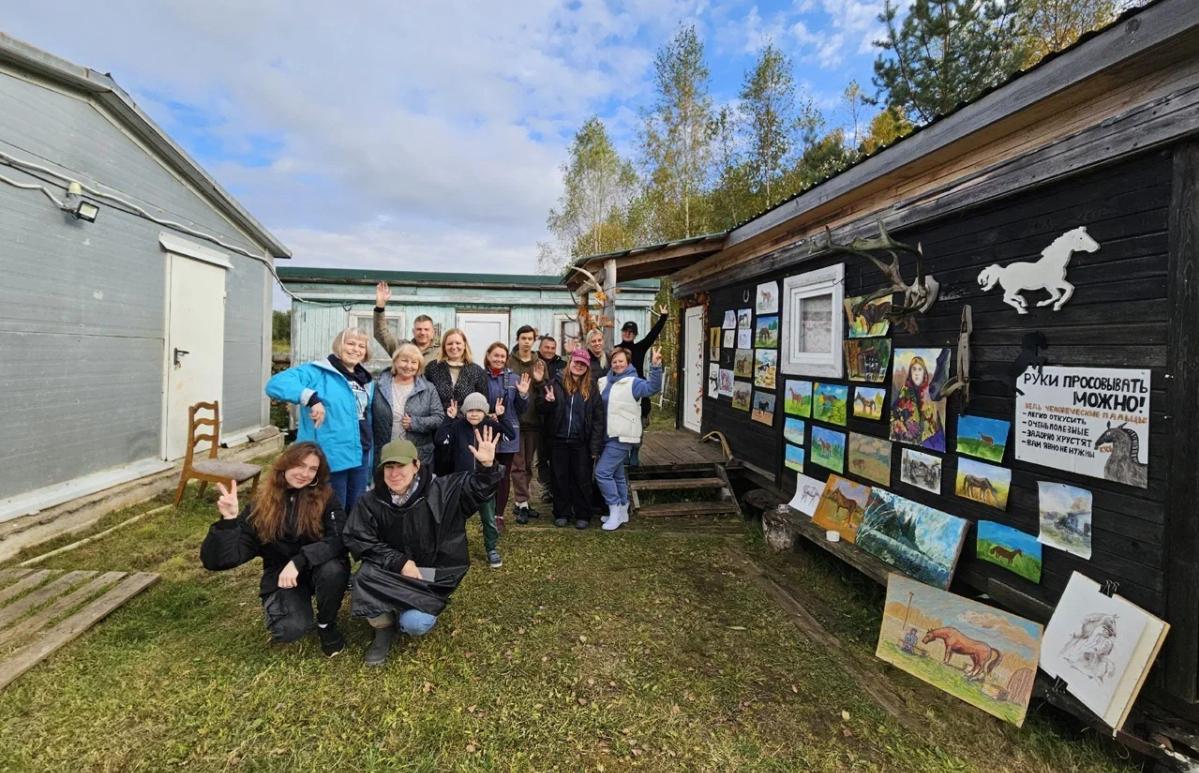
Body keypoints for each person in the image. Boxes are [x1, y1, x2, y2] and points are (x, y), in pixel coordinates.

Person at [344, 431, 502, 666]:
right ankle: (383, 628)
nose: (395, 473)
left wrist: (487, 468)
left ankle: (405, 614)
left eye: (401, 466)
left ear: (416, 465)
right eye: (389, 467)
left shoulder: (443, 490)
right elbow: (359, 538)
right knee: (363, 577)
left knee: (416, 624)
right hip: (391, 572)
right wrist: (399, 562)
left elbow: (478, 489)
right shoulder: (371, 501)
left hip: (428, 575)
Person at [200, 443, 350, 656]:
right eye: (300, 465)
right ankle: (291, 606)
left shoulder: (326, 498)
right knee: (290, 629)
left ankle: (327, 625)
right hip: (281, 575)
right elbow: (219, 560)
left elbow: (339, 539)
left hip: (317, 566)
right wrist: (228, 521)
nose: (305, 473)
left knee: (333, 569)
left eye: (312, 469)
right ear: (285, 464)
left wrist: (300, 560)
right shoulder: (261, 504)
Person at [266, 328, 375, 511]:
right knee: (333, 507)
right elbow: (275, 384)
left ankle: (351, 538)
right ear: (339, 345)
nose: (355, 349)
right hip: (332, 453)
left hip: (361, 452)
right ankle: (331, 539)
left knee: (356, 507)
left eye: (361, 346)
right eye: (350, 343)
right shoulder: (317, 372)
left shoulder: (365, 380)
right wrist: (312, 399)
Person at [434, 393, 511, 568]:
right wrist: (448, 419)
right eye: (470, 410)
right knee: (455, 518)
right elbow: (440, 440)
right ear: (464, 412)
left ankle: (491, 548)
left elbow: (510, 435)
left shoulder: (490, 425)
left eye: (478, 410)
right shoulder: (457, 426)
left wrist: (501, 417)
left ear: (485, 412)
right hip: (462, 481)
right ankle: (451, 549)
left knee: (489, 518)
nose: (474, 414)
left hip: (485, 481)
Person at [595, 346, 663, 531]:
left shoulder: (634, 382)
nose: (617, 364)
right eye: (614, 361)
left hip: (622, 436)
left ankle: (615, 510)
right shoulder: (603, 381)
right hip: (605, 436)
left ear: (628, 363)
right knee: (617, 474)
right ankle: (623, 509)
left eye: (621, 361)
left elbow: (653, 388)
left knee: (602, 473)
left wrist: (656, 367)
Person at [536, 348, 605, 529]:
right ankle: (561, 512)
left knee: (581, 479)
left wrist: (595, 447)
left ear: (587, 367)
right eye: (576, 362)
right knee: (559, 478)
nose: (579, 366)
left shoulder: (591, 388)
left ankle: (582, 514)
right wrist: (548, 402)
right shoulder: (555, 383)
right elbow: (542, 410)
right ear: (570, 363)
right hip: (558, 441)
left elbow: (598, 419)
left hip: (581, 442)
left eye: (583, 364)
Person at [481, 342, 531, 530]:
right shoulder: (480, 377)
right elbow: (475, 402)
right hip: (486, 433)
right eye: (496, 355)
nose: (499, 359)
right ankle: (486, 511)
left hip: (508, 433)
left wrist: (523, 395)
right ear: (488, 356)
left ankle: (499, 515)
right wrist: (489, 413)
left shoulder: (514, 379)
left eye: (502, 356)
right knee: (487, 474)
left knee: (503, 475)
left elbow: (521, 409)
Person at [371, 343, 445, 468]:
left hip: (418, 455)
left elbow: (439, 417)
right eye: (404, 360)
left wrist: (415, 423)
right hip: (386, 453)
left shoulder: (428, 388)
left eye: (414, 362)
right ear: (395, 362)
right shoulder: (379, 386)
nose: (408, 366)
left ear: (419, 366)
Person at [620, 304, 670, 466]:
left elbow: (653, 334)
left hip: (639, 392)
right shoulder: (614, 350)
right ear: (621, 332)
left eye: (631, 332)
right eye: (626, 331)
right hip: (622, 393)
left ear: (635, 334)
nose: (628, 333)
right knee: (623, 425)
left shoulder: (640, 347)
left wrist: (663, 316)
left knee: (639, 425)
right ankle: (624, 453)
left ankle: (635, 452)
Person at [506, 326, 545, 523]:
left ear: (534, 341)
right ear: (518, 339)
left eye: (530, 338)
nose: (527, 342)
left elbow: (545, 391)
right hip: (513, 421)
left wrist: (538, 382)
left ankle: (522, 502)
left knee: (528, 464)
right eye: (523, 338)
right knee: (518, 464)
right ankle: (522, 502)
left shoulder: (539, 363)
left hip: (533, 420)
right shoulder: (509, 361)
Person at [533, 335, 566, 506]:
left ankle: (557, 487)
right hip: (538, 415)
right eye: (547, 347)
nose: (550, 351)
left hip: (557, 417)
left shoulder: (562, 365)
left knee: (556, 454)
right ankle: (546, 486)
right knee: (542, 455)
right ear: (540, 347)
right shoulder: (534, 362)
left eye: (553, 348)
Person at [373, 281, 441, 364]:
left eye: (426, 329)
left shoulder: (441, 352)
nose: (422, 332)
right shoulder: (401, 347)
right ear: (413, 331)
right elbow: (381, 333)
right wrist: (380, 305)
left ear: (433, 332)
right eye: (419, 329)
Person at [890, 354, 945, 451]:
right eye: (914, 369)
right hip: (907, 443)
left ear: (924, 373)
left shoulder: (930, 394)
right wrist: (901, 426)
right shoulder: (904, 392)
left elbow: (936, 426)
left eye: (920, 369)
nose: (916, 373)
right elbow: (893, 415)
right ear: (910, 373)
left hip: (928, 443)